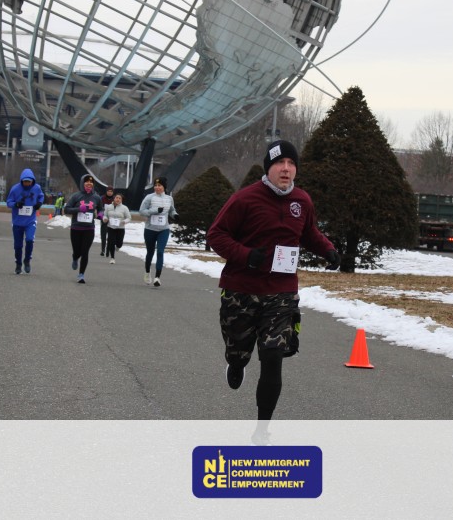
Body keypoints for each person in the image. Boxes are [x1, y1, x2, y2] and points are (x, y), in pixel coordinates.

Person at [206, 140, 340, 434]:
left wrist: (328, 249)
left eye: (291, 164)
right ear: (269, 168)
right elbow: (216, 234)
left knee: (273, 356)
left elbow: (309, 233)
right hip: (242, 289)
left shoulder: (302, 201)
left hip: (281, 292)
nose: (286, 169)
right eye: (280, 163)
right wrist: (246, 255)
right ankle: (236, 363)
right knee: (238, 351)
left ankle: (262, 429)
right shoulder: (245, 198)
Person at [138, 177, 177, 287]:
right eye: (155, 185)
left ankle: (157, 277)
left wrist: (175, 215)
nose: (157, 187)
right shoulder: (149, 197)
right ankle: (147, 272)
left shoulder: (169, 198)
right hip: (150, 229)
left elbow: (172, 210)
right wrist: (154, 211)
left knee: (160, 252)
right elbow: (141, 211)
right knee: (150, 252)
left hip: (164, 230)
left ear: (164, 187)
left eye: (159, 185)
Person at [63, 174, 102, 283]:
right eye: (87, 182)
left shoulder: (96, 197)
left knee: (85, 252)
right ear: (82, 183)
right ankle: (75, 257)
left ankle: (81, 275)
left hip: (89, 229)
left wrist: (100, 215)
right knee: (77, 251)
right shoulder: (76, 196)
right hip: (76, 228)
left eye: (91, 182)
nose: (89, 184)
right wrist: (79, 209)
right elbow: (66, 209)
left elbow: (101, 209)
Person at [5, 168, 45, 274]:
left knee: (29, 239)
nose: (27, 183)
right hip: (17, 221)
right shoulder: (15, 189)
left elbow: (41, 197)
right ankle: (18, 263)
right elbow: (8, 202)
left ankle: (27, 260)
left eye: (29, 181)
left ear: (32, 181)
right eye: (25, 181)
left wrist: (39, 203)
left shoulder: (37, 188)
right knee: (18, 245)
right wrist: (16, 204)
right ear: (22, 180)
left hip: (30, 220)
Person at [101, 192, 131, 264]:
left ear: (121, 200)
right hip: (111, 227)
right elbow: (105, 215)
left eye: (119, 198)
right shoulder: (108, 207)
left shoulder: (124, 208)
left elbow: (129, 218)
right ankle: (112, 258)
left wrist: (124, 221)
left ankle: (118, 247)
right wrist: (105, 219)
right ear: (114, 198)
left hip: (120, 228)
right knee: (111, 242)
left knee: (119, 243)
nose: (118, 199)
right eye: (116, 198)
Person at [99, 185, 116, 256]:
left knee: (110, 237)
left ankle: (108, 250)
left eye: (111, 191)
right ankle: (103, 250)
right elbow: (99, 208)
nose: (109, 193)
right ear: (106, 192)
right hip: (104, 219)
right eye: (108, 191)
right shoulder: (102, 198)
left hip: (112, 220)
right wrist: (101, 217)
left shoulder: (115, 199)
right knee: (103, 235)